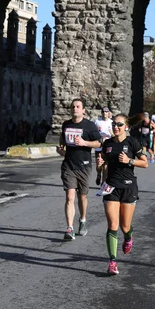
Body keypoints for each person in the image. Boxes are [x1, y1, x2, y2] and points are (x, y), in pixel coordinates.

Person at [97, 114, 148, 275]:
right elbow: (103, 163)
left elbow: (145, 163)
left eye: (119, 124)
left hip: (128, 187)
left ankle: (128, 237)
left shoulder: (132, 142)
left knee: (125, 226)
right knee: (113, 224)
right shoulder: (108, 144)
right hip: (111, 187)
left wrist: (129, 161)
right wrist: (99, 165)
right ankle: (112, 261)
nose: (115, 127)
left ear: (126, 126)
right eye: (113, 124)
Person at [57, 98, 101, 240]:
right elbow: (63, 142)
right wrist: (61, 151)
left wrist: (84, 142)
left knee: (82, 196)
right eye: (73, 107)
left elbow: (98, 143)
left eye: (78, 106)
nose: (75, 108)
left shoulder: (89, 126)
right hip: (69, 165)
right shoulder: (66, 125)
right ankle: (69, 228)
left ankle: (82, 220)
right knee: (70, 197)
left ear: (83, 110)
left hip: (84, 166)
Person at [94, 107, 113, 186]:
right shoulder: (97, 122)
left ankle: (103, 183)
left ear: (109, 113)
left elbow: (114, 135)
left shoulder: (111, 122)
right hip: (99, 145)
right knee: (99, 164)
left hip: (108, 145)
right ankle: (99, 174)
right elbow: (93, 133)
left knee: (106, 165)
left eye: (106, 112)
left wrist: (111, 134)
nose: (104, 113)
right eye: (103, 112)